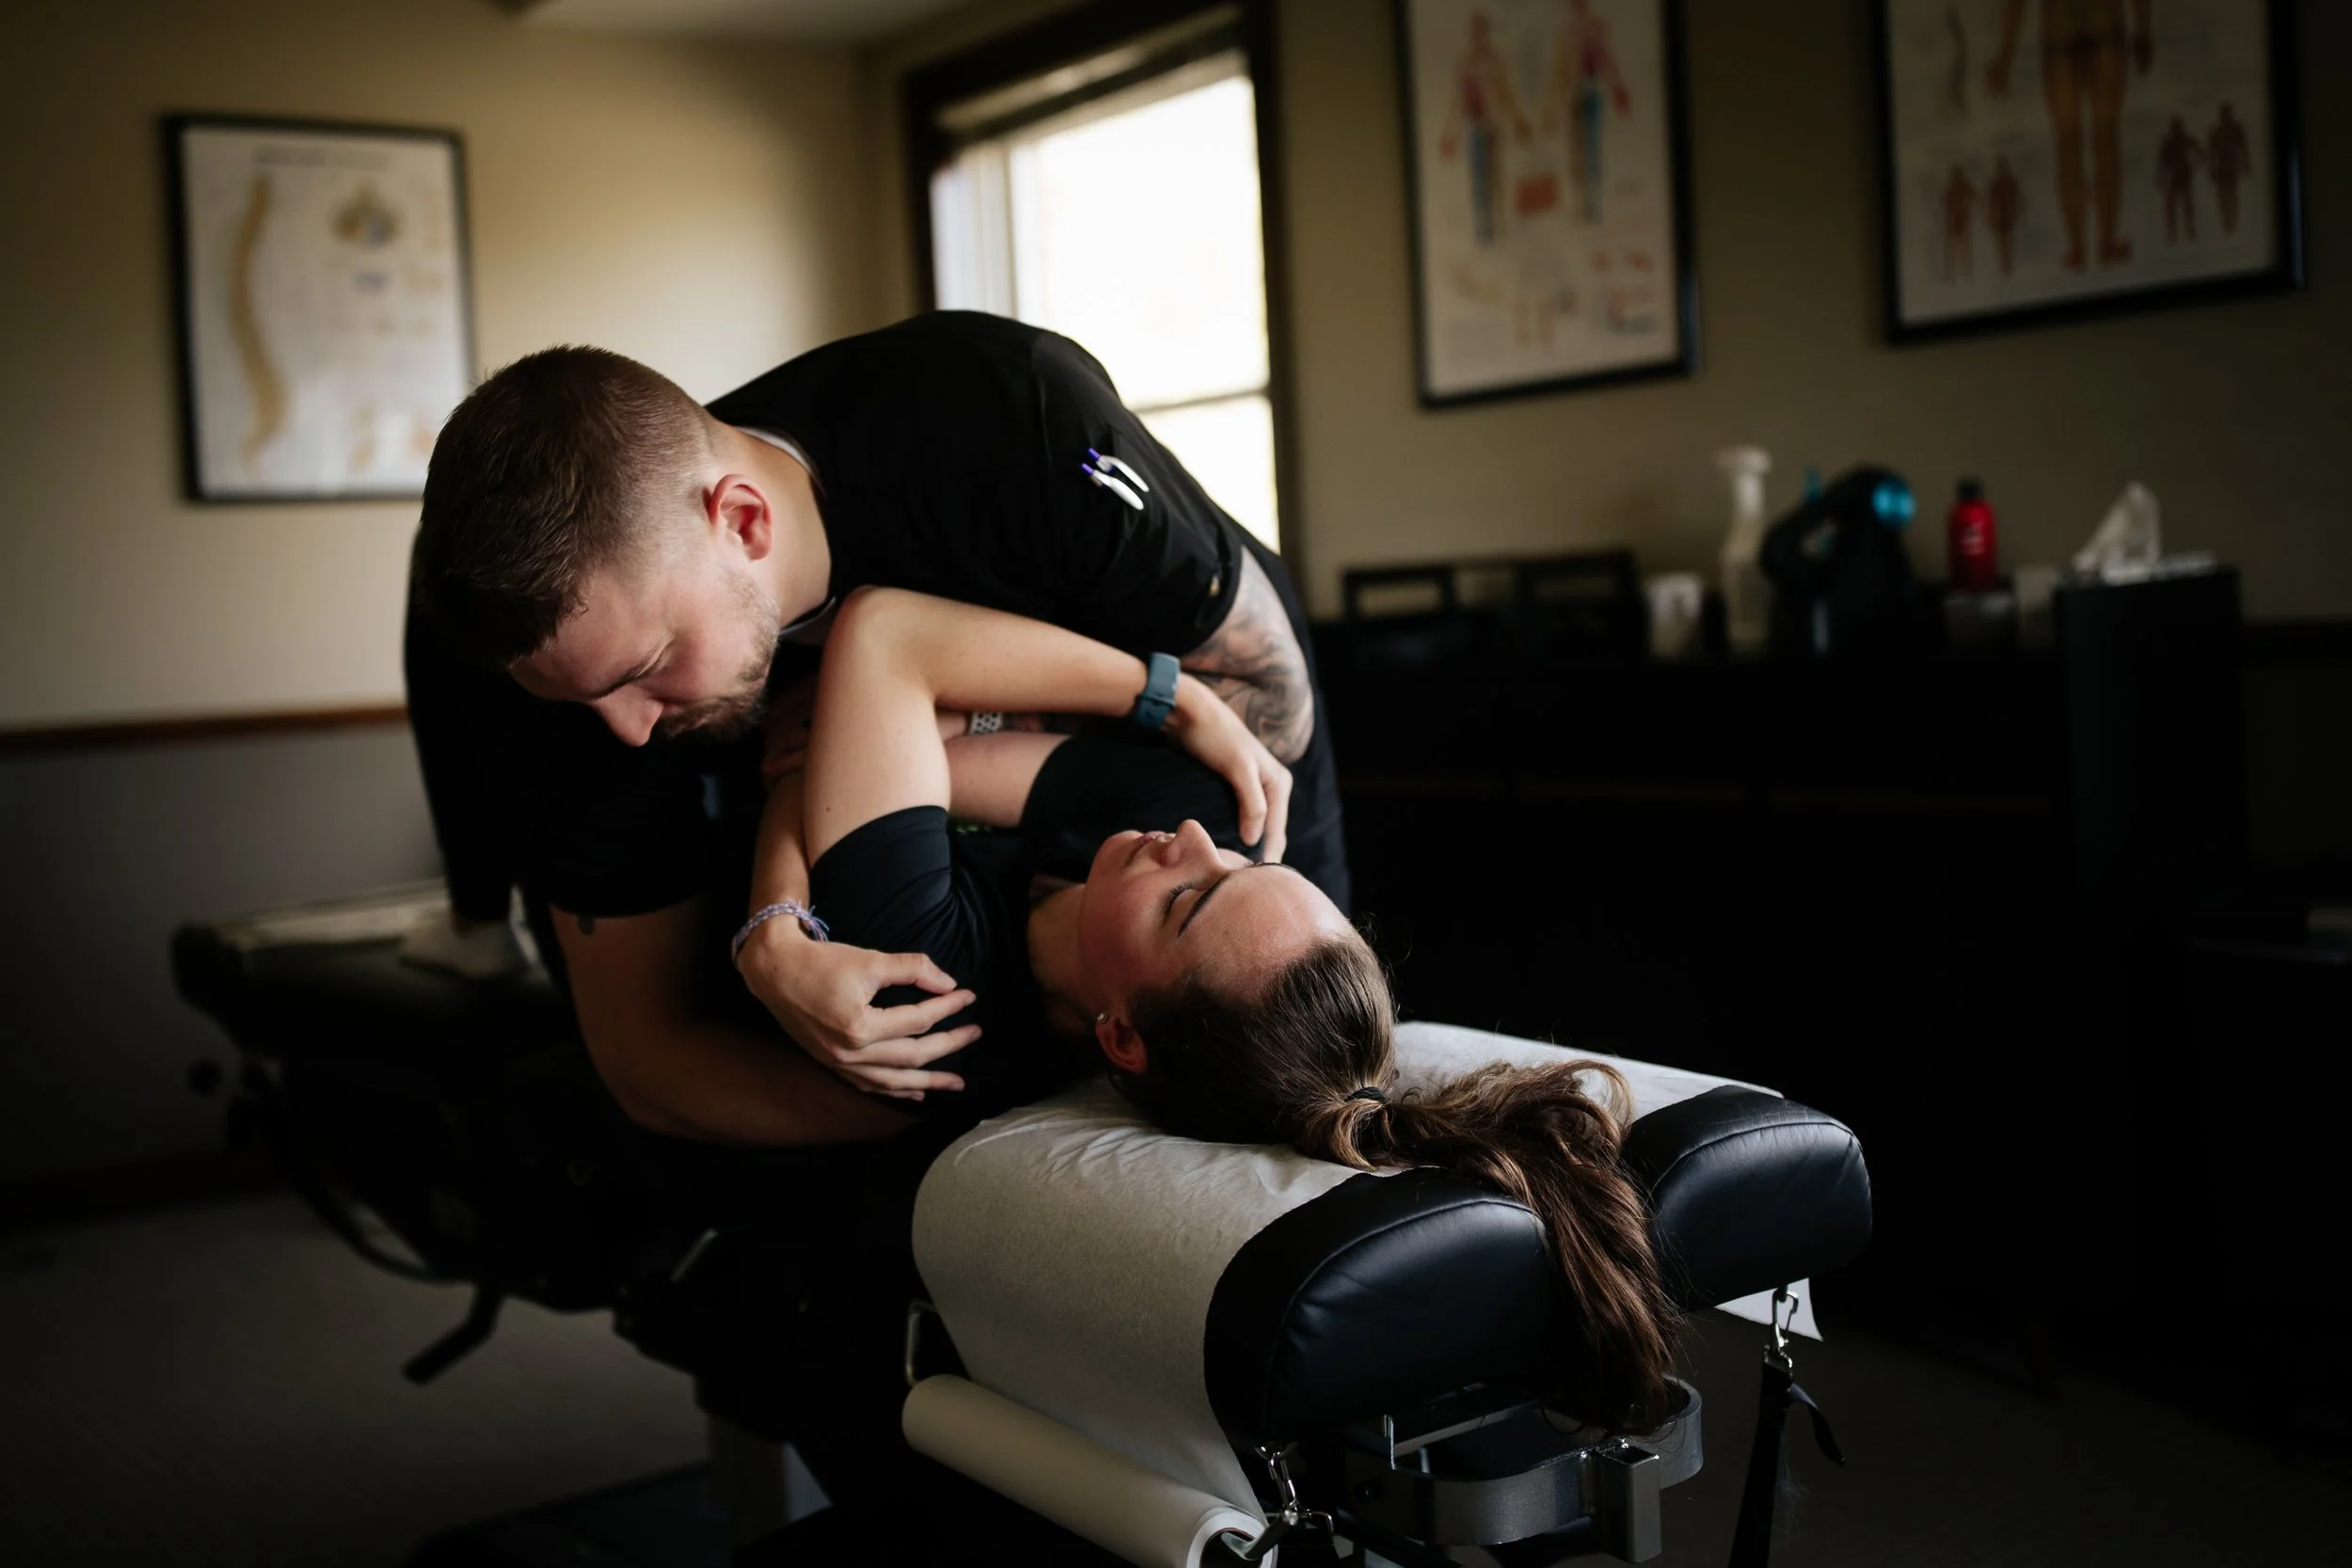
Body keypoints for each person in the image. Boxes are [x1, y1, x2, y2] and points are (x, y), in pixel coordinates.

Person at [744, 585, 1679, 1430]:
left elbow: (881, 641)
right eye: (1243, 864)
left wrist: (774, 922)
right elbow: (868, 745)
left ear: (1121, 1033)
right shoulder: (1207, 811)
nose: (1189, 838)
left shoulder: (929, 981)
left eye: (1186, 899)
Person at [404, 312, 1341, 1145]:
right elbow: (648, 1059)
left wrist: (1141, 700)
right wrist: (920, 1087)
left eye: (646, 668)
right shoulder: (554, 670)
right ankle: (474, 917)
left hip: (1212, 782)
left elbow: (1260, 706)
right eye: (583, 697)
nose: (627, 732)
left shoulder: (1016, 428)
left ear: (744, 522)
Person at [1987, 0, 2153, 272]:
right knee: (2106, 139)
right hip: (2103, 25)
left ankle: (2078, 248)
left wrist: (2006, 56)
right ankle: (2105, 243)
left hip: (2060, 33)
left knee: (2068, 145)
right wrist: (2144, 29)